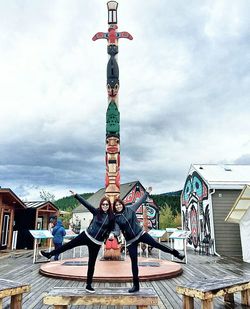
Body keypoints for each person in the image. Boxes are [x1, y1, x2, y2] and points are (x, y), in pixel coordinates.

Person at [40, 191, 114, 293]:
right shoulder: (96, 212)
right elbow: (86, 204)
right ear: (101, 205)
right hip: (86, 235)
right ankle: (49, 254)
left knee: (91, 263)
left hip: (97, 242)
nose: (105, 206)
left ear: (109, 206)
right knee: (69, 245)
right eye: (103, 204)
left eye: (107, 204)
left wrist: (111, 234)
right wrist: (76, 195)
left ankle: (88, 285)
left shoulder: (111, 217)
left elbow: (113, 229)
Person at [113, 187, 185, 293]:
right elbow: (117, 230)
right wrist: (113, 235)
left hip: (140, 234)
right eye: (116, 205)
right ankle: (136, 286)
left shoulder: (130, 209)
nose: (118, 206)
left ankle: (176, 253)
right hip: (130, 241)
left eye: (119, 204)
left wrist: (147, 193)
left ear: (122, 204)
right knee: (134, 263)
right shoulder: (116, 218)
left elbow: (140, 201)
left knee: (156, 244)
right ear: (115, 207)